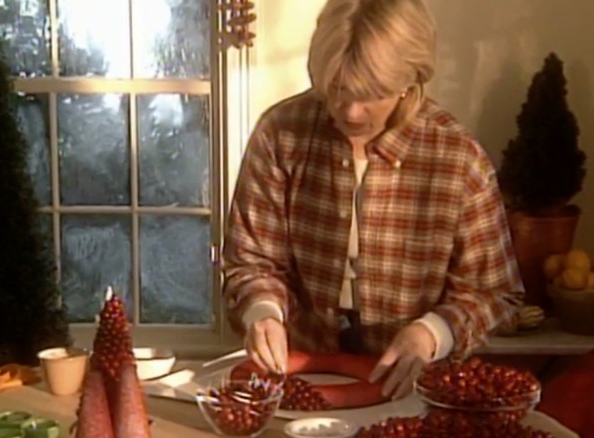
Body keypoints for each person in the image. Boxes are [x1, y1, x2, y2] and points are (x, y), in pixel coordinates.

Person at [222, 0, 525, 400]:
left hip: (414, 387)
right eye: (336, 89)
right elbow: (252, 261)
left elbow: (496, 294)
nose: (350, 110)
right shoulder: (280, 133)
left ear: (409, 81)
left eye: (372, 94)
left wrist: (433, 332)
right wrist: (262, 312)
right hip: (300, 378)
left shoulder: (457, 157)